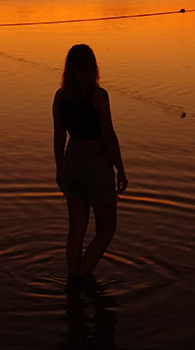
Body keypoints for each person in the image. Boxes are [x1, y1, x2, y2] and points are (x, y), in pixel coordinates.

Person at [53, 44, 128, 290]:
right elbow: (108, 135)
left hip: (72, 160)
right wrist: (120, 168)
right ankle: (83, 275)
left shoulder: (60, 97)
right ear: (92, 67)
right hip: (96, 162)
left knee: (76, 228)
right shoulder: (99, 96)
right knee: (106, 229)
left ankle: (72, 277)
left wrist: (59, 168)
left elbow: (58, 136)